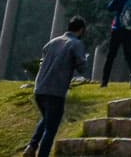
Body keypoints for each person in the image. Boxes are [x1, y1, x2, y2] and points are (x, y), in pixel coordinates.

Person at [29, 16, 90, 157]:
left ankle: (31, 146)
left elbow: (42, 61)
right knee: (51, 128)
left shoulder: (52, 42)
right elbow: (82, 67)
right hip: (55, 90)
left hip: (40, 88)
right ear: (81, 30)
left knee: (47, 118)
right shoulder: (75, 44)